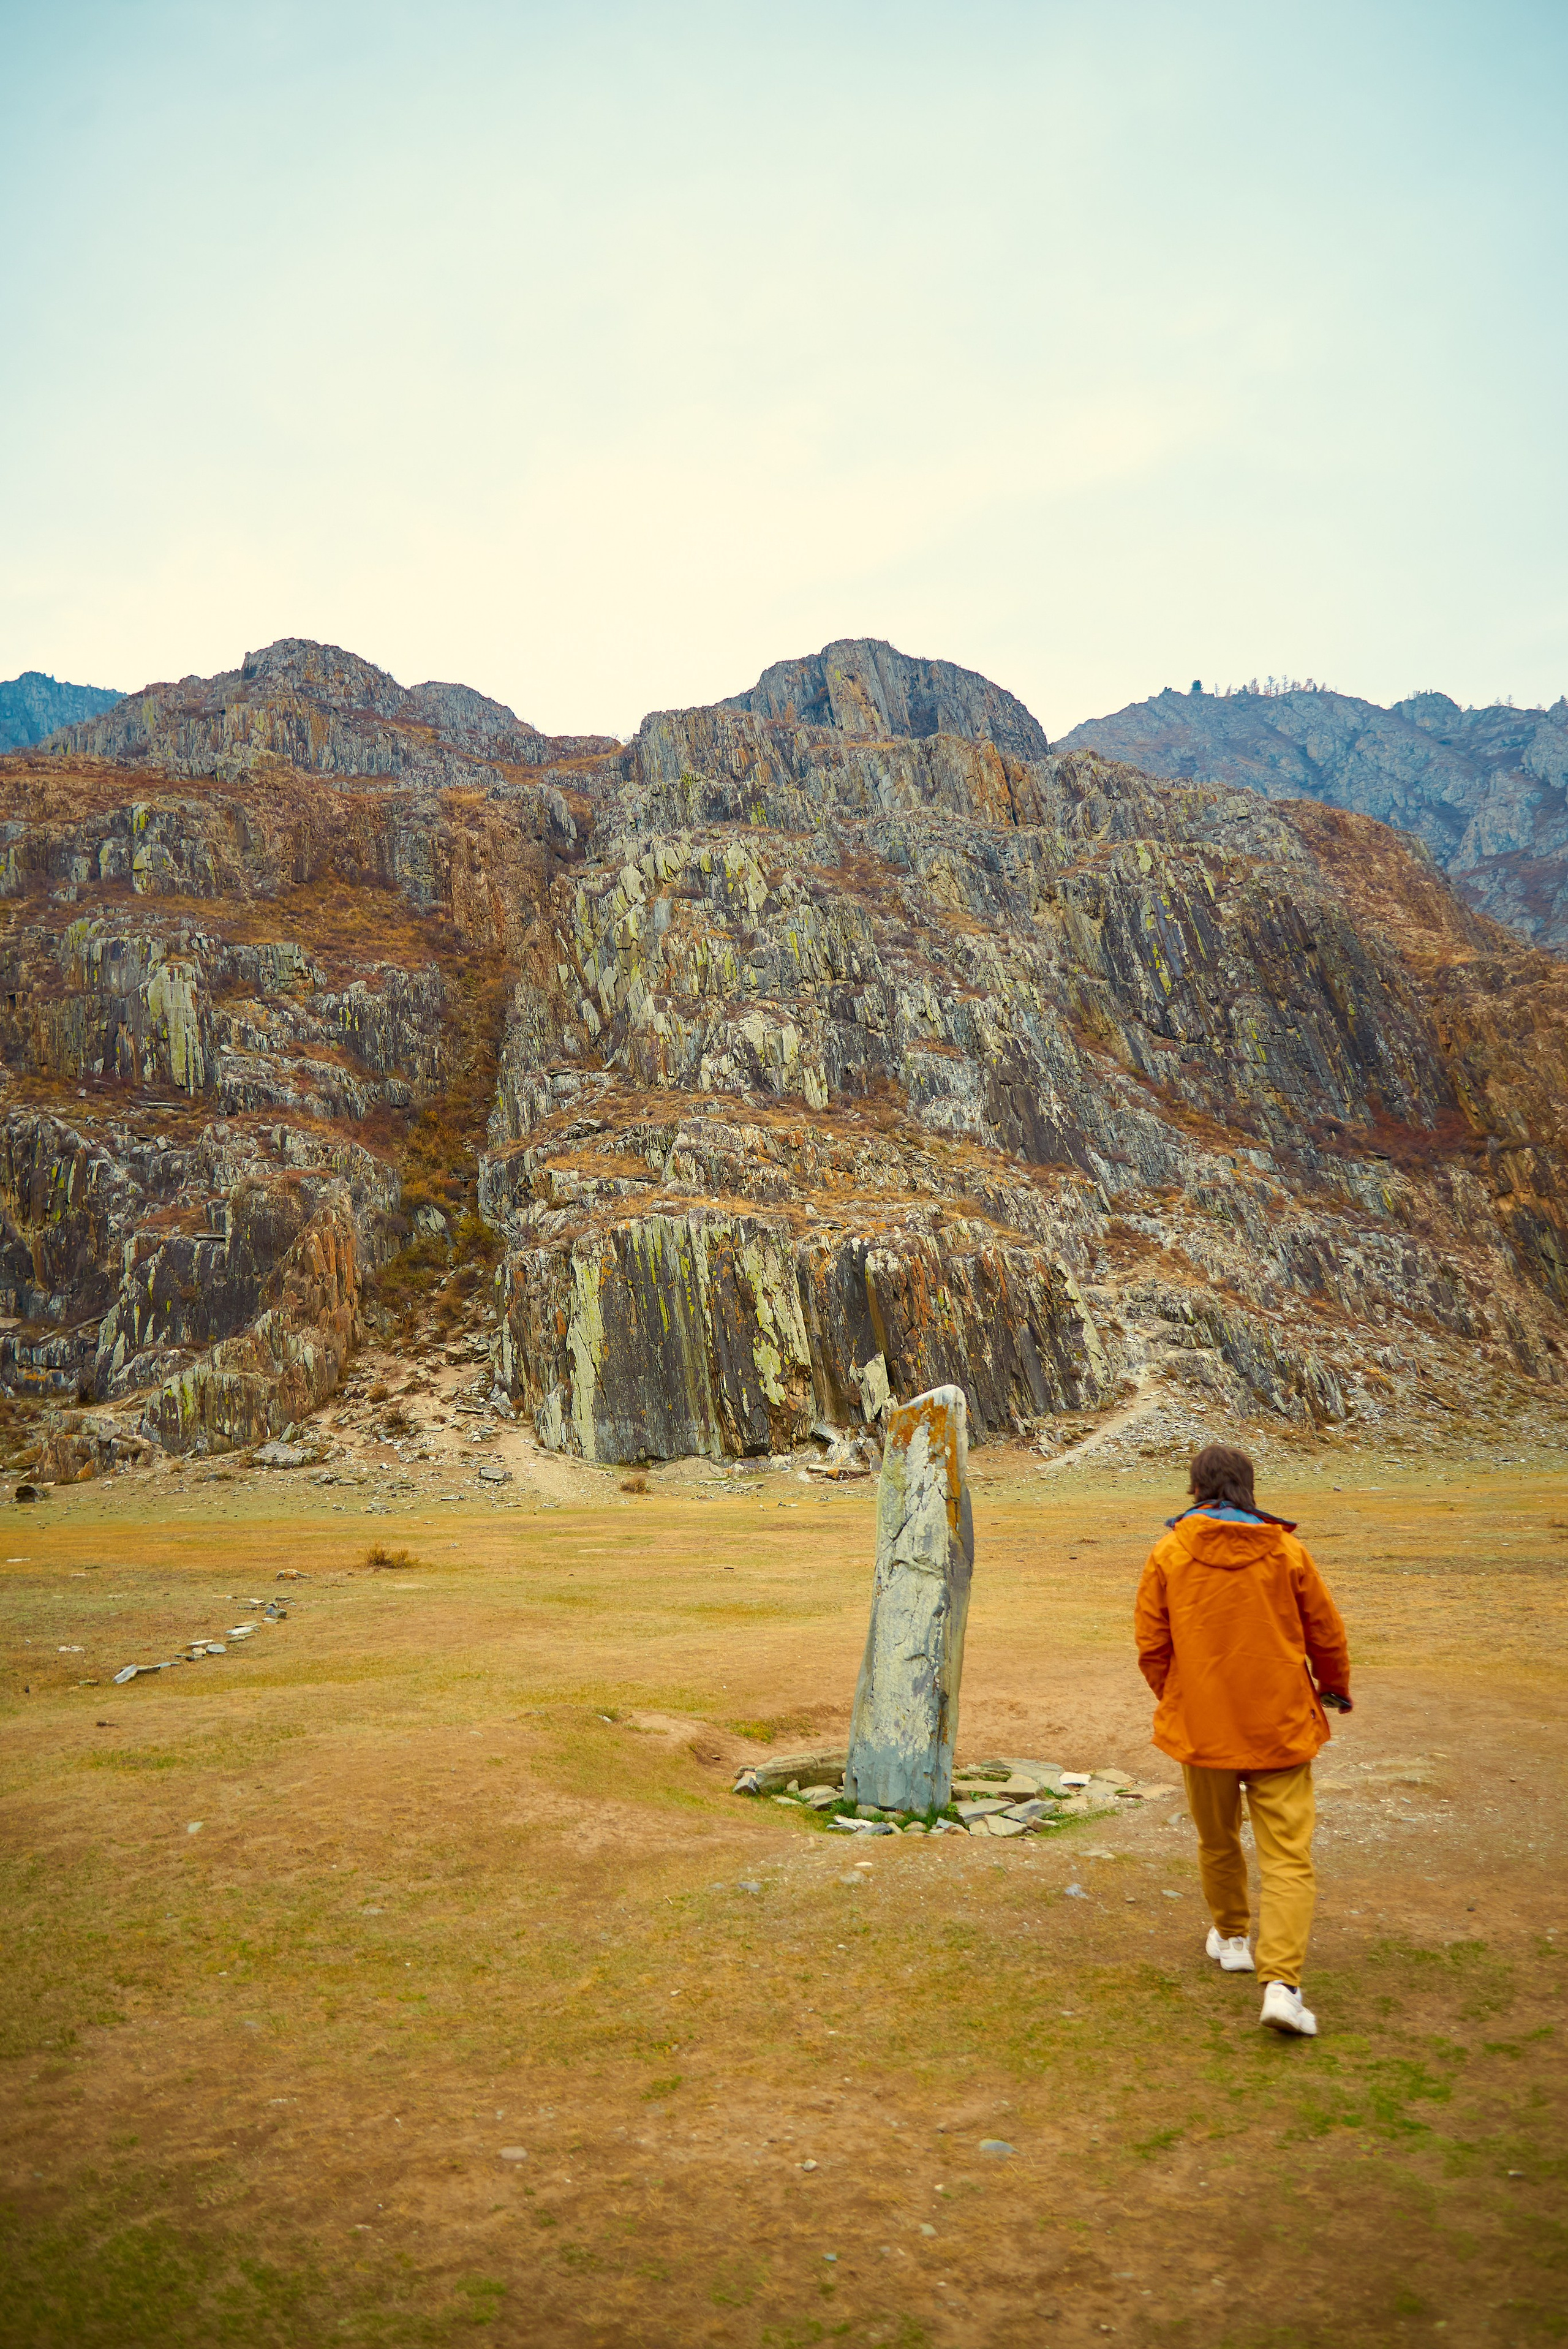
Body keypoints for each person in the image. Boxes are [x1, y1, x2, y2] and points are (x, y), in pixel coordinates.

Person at [1133, 1443, 1352, 2037]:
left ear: (1195, 1488)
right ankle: (1281, 1983)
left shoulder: (1169, 1552)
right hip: (1279, 1725)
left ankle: (1232, 1936)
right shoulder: (1286, 1551)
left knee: (1217, 1837)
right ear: (1247, 1488)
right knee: (1287, 1857)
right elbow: (1325, 1633)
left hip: (1203, 1728)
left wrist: (1180, 1698)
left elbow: (1152, 1646)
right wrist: (1333, 1687)